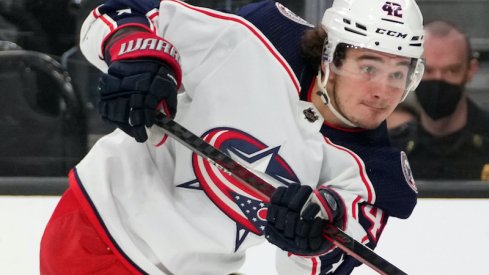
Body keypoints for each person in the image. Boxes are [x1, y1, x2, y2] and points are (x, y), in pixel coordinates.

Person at [40, 0, 423, 274]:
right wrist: (137, 56)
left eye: (398, 73)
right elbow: (117, 13)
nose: (383, 91)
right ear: (329, 56)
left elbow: (312, 267)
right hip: (98, 229)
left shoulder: (376, 175)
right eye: (368, 67)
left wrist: (312, 239)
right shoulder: (261, 39)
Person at [390, 20, 489, 180]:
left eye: (451, 71)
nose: (438, 80)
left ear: (471, 70)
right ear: (411, 70)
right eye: (428, 70)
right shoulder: (391, 151)